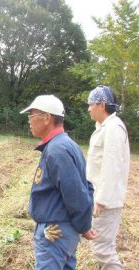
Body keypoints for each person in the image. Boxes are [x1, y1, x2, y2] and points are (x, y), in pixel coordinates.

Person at [20, 95, 96, 270]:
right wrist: (82, 225)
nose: (29, 121)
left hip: (54, 232)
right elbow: (87, 185)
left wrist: (84, 226)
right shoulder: (68, 144)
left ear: (47, 118)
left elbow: (76, 193)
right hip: (64, 230)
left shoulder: (56, 150)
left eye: (32, 116)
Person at [86, 85, 130, 270]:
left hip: (106, 203)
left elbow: (112, 167)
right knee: (101, 247)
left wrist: (101, 201)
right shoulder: (104, 127)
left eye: (90, 104)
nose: (88, 108)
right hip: (100, 199)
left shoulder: (113, 128)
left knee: (103, 249)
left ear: (102, 104)